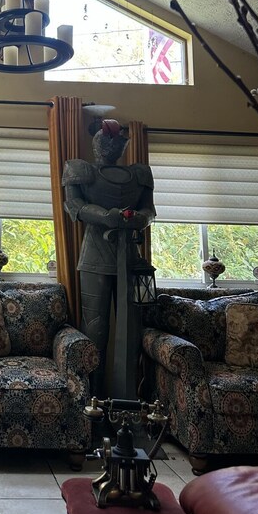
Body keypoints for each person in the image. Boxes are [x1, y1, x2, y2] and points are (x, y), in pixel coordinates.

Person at [62, 119, 156, 398]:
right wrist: (105, 216)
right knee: (95, 333)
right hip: (94, 255)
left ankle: (127, 403)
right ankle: (93, 402)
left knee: (131, 334)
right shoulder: (80, 169)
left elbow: (149, 210)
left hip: (131, 256)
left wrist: (139, 219)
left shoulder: (139, 174)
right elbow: (75, 206)